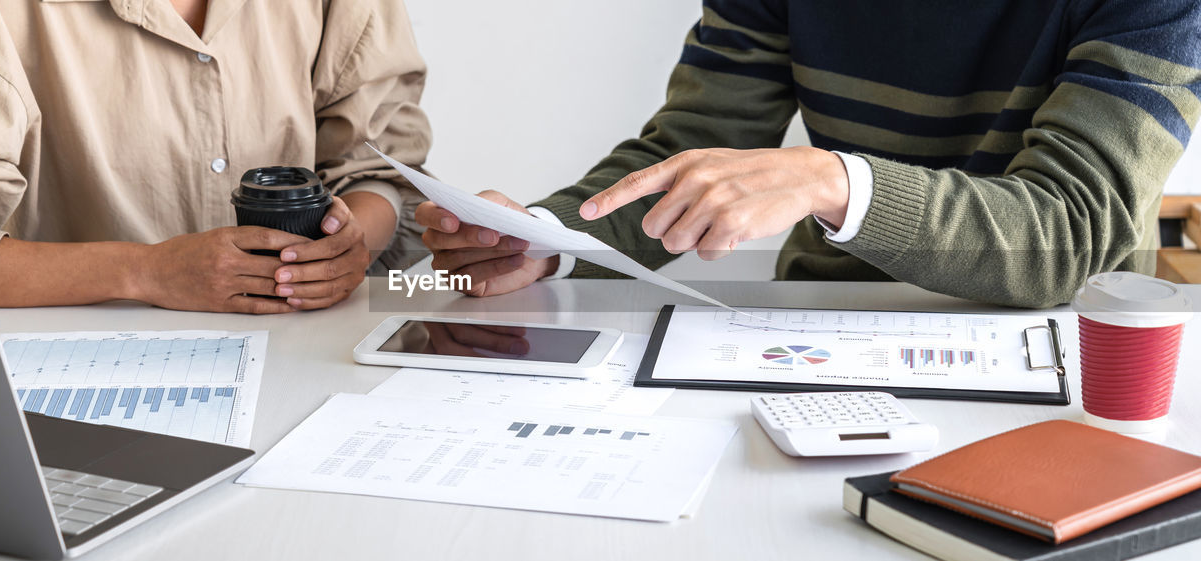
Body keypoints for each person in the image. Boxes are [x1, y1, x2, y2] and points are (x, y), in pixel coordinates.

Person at [417, 0, 1201, 308]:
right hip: (825, 329)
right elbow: (691, 148)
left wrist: (837, 180)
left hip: (1070, 348)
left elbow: (1072, 234)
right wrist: (547, 241)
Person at [0, 0, 430, 313]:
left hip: (305, 357)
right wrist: (146, 271)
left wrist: (349, 245)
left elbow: (379, 165)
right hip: (81, 381)